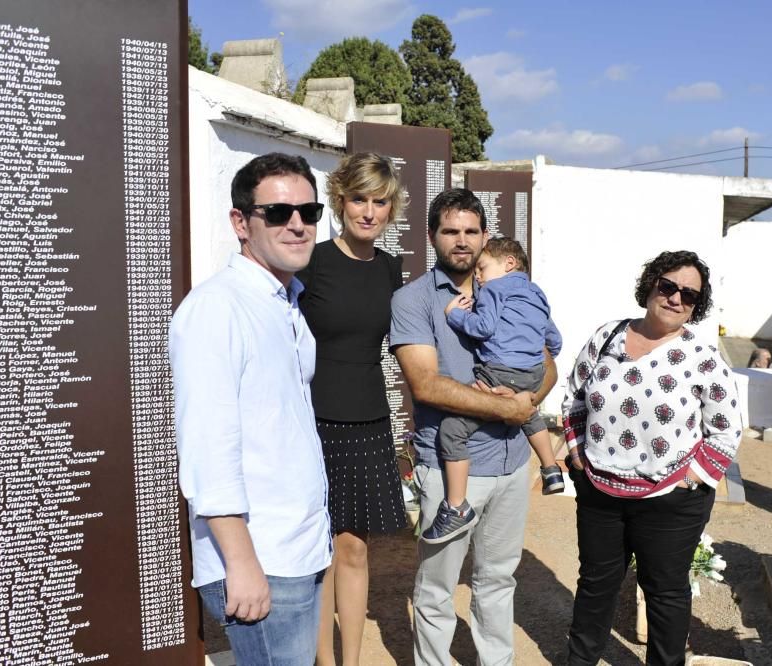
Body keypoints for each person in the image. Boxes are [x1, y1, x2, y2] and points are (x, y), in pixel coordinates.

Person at [170, 152, 331, 665]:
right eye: (279, 214)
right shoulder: (218, 309)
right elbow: (207, 447)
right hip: (261, 558)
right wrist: (240, 563)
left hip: (299, 546)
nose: (298, 225)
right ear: (241, 222)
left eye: (310, 212)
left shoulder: (285, 301)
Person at [390, 188, 557, 665]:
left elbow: (548, 367)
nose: (461, 241)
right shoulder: (413, 300)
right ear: (431, 237)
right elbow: (426, 385)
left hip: (510, 464)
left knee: (498, 580)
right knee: (438, 588)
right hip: (452, 470)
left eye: (470, 231)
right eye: (450, 231)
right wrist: (507, 410)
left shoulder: (513, 290)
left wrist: (523, 402)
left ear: (485, 237)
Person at [561, 250, 742, 666]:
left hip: (670, 500)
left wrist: (688, 480)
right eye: (669, 286)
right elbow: (573, 397)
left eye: (690, 296)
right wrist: (576, 455)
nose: (677, 298)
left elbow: (726, 429)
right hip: (600, 490)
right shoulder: (606, 336)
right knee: (596, 585)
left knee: (665, 592)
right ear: (651, 286)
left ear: (697, 306)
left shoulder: (703, 358)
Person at [296, 152, 408, 666]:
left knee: (356, 548)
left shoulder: (392, 269)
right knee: (318, 552)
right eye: (358, 198)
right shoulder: (310, 262)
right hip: (311, 419)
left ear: (391, 208)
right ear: (339, 200)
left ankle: (352, 662)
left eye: (379, 201)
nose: (368, 211)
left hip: (367, 420)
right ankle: (322, 659)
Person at [423, 236, 564, 544]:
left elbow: (483, 327)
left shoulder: (494, 289)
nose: (479, 276)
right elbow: (554, 339)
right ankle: (552, 469)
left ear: (509, 264)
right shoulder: (537, 294)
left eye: (483, 268)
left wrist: (455, 315)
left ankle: (456, 508)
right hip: (533, 374)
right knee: (528, 414)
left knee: (451, 430)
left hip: (501, 371)